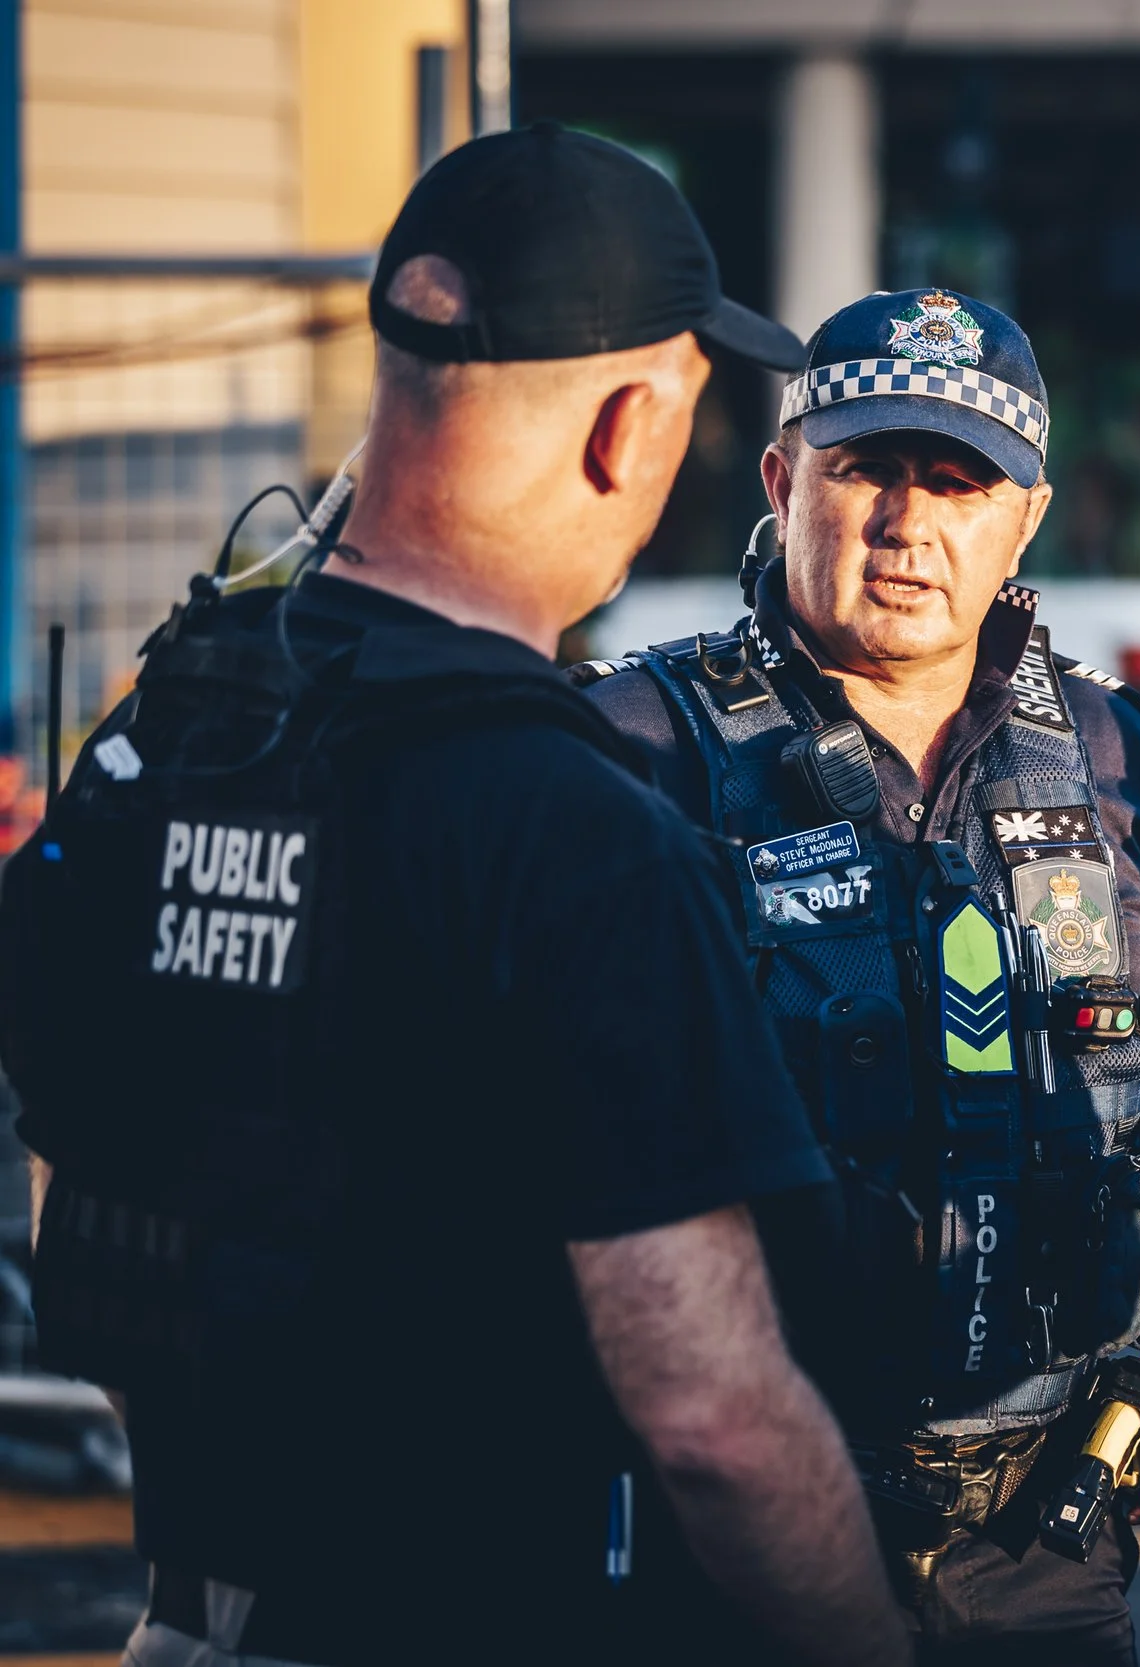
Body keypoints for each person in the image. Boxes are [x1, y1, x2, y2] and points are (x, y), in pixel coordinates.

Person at [0, 127, 908, 1667]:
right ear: (628, 428)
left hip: (187, 1615)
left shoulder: (183, 720)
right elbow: (713, 1418)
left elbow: (74, 1129)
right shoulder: (573, 832)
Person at [575, 288, 1140, 1665]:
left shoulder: (1118, 753)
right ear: (783, 479)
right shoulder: (630, 746)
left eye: (958, 479)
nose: (907, 521)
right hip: (740, 1532)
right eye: (867, 468)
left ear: (1027, 516)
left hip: (1047, 1539)